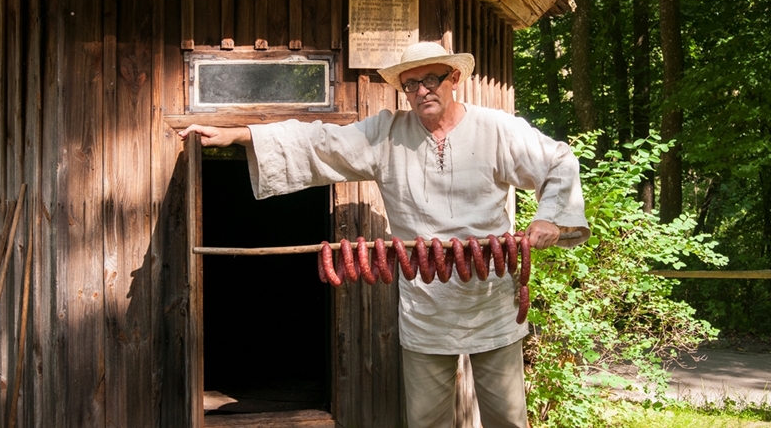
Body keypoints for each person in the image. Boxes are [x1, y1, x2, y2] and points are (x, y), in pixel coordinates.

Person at [180, 41, 590, 428]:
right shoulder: (387, 133)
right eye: (411, 84)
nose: (421, 90)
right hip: (425, 303)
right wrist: (245, 134)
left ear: (453, 79)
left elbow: (556, 160)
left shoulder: (495, 129)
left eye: (431, 79)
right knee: (426, 418)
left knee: (507, 417)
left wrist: (550, 217)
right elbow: (323, 142)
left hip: (491, 298)